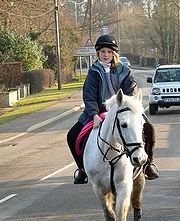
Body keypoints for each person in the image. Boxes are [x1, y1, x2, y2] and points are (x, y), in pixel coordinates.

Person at [67, 34, 159, 184]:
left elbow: (131, 91)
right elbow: (89, 95)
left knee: (150, 129)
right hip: (97, 112)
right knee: (72, 135)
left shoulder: (125, 71)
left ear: (114, 53)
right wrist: (94, 115)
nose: (106, 55)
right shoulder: (93, 71)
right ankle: (82, 170)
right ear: (98, 53)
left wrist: (126, 108)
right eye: (103, 52)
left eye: (109, 52)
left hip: (123, 111)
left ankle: (148, 165)